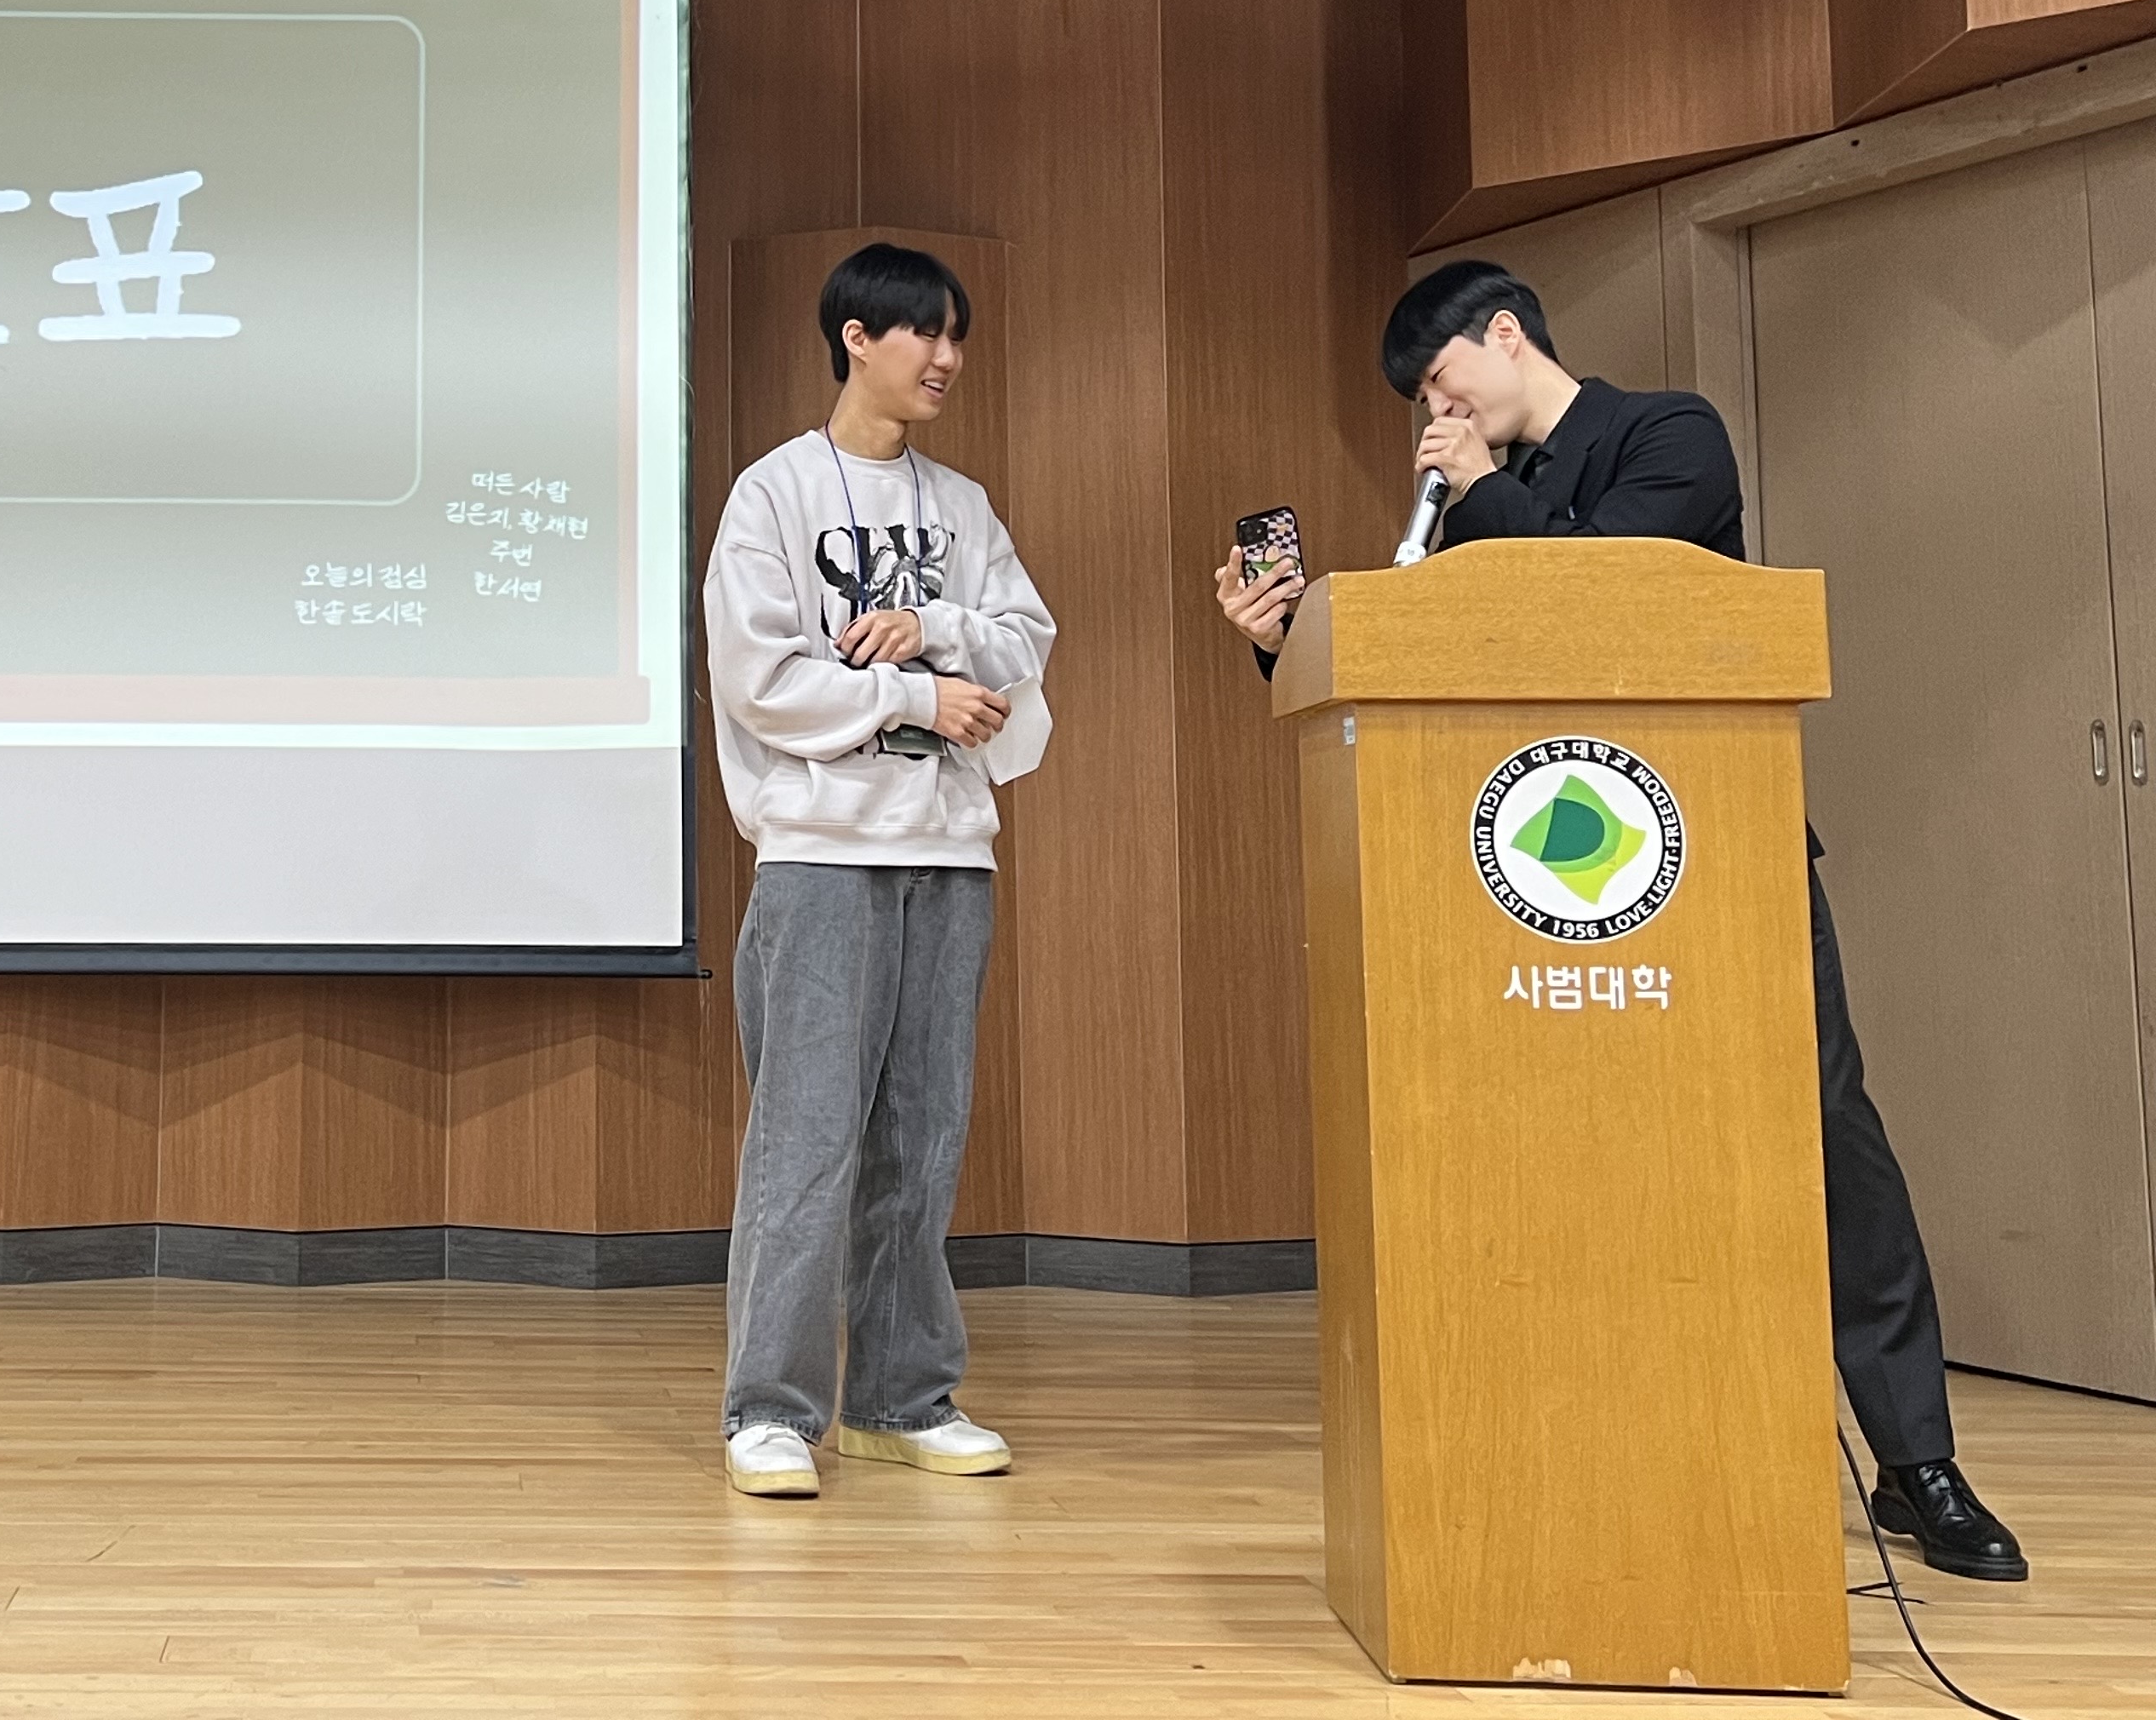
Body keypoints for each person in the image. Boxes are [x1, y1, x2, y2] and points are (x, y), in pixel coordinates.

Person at [1211, 260, 2028, 1583]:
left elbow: (1610, 595)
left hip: (1719, 847)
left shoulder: (1667, 432)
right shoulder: (1468, 505)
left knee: (1826, 1134)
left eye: (1441, 384)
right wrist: (1286, 632)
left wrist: (1482, 491)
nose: (1435, 417)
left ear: (1505, 335)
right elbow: (1435, 656)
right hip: (1537, 894)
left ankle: (1917, 1463)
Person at [703, 243, 1058, 1500]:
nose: (947, 359)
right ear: (857, 338)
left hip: (950, 853)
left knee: (924, 1137)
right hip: (822, 857)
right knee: (807, 1141)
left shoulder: (962, 505)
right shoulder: (775, 494)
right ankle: (770, 1411)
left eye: (959, 338)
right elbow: (760, 679)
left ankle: (903, 1399)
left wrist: (940, 627)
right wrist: (916, 692)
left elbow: (1025, 642)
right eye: (926, 334)